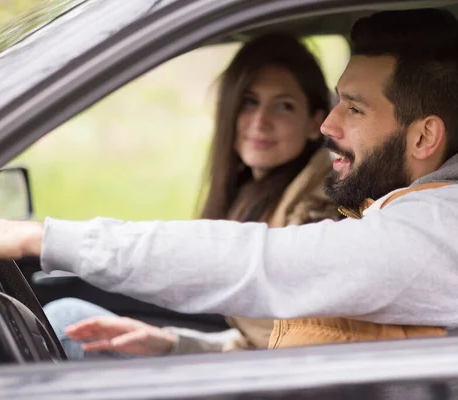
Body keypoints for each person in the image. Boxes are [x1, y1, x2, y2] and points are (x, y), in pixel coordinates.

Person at [0, 9, 458, 351]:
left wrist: (36, 238)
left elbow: (260, 262)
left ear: (423, 138)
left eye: (355, 110)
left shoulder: (450, 230)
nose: (327, 125)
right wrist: (177, 348)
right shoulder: (435, 214)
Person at [40, 33, 342, 359]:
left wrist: (43, 239)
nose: (260, 122)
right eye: (249, 102)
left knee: (63, 321)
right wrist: (171, 343)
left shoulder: (318, 208)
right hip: (260, 369)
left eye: (284, 106)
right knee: (68, 317)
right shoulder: (259, 194)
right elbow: (265, 338)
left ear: (315, 123)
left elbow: (298, 344)